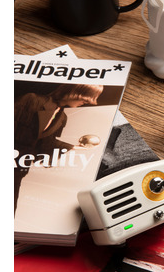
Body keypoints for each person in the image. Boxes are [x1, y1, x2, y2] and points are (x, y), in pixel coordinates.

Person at [14, 83, 104, 214]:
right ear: (74, 92)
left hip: (18, 171)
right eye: (85, 98)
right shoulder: (31, 99)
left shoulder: (62, 118)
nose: (86, 102)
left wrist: (74, 147)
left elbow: (46, 144)